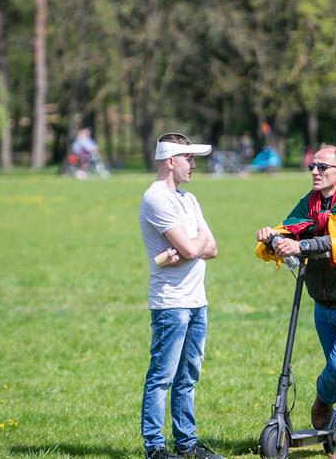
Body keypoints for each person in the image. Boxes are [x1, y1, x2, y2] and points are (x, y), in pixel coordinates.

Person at [255, 145, 336, 458]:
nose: (314, 171)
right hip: (322, 303)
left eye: (322, 167)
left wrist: (302, 245)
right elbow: (293, 228)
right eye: (312, 166)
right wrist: (274, 237)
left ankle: (323, 400)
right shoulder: (311, 203)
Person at [138, 132, 222, 459]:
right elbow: (194, 245)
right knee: (162, 377)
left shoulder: (189, 199)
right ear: (170, 161)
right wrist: (191, 245)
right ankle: (155, 448)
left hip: (196, 300)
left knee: (187, 377)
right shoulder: (155, 198)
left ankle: (186, 443)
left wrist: (189, 248)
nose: (193, 166)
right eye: (189, 159)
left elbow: (211, 248)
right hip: (171, 303)